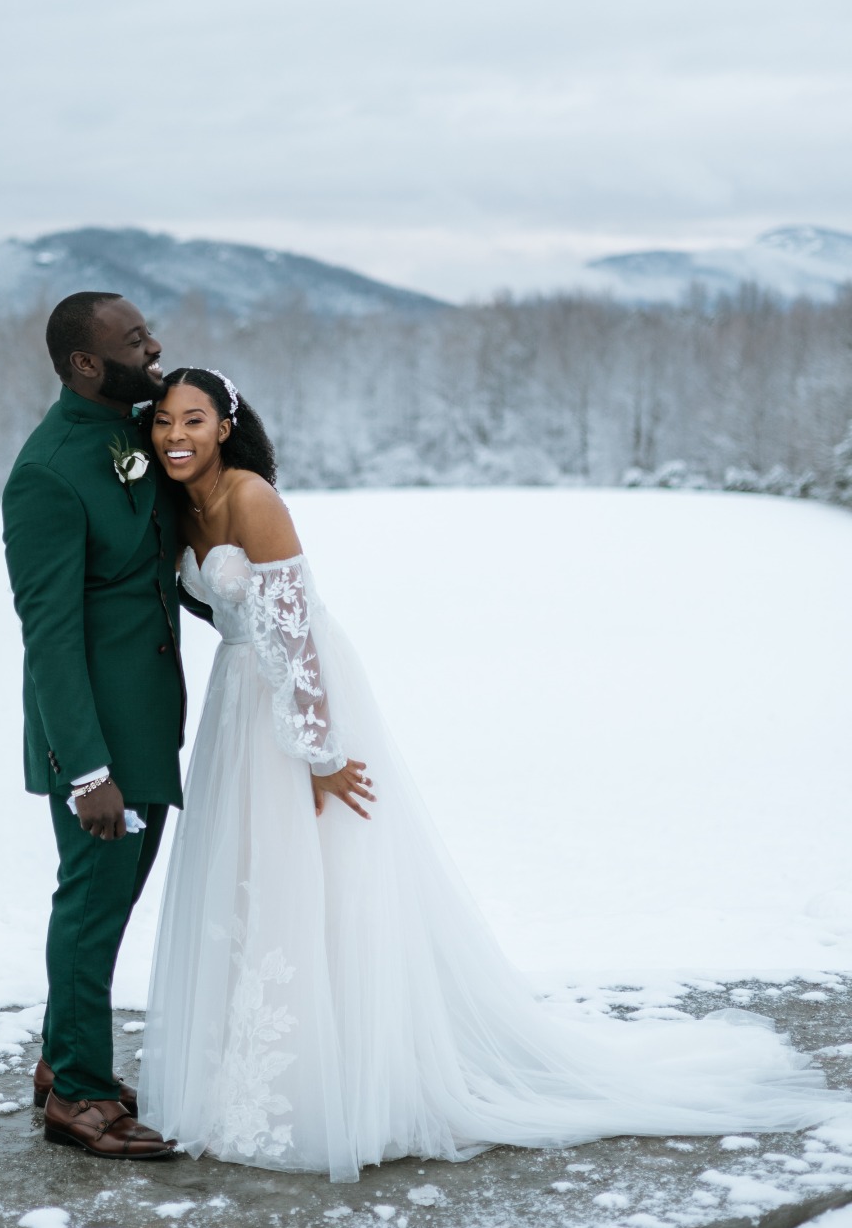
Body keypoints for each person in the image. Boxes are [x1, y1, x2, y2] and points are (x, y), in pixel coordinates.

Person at [138, 367, 844, 1183]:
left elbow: (295, 634)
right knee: (250, 887)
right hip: (236, 703)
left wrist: (322, 756)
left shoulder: (254, 499)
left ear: (226, 425)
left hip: (294, 704)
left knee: (314, 883)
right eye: (163, 421)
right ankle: (242, 1075)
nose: (176, 435)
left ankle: (328, 1085)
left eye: (194, 419)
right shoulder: (179, 501)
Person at [0, 293, 210, 1161]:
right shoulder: (46, 474)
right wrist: (84, 770)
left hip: (149, 719)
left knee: (111, 903)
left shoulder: (134, 426)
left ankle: (63, 1060)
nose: (154, 346)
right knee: (90, 905)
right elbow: (48, 635)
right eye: (133, 341)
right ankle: (79, 1098)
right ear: (85, 364)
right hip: (94, 741)